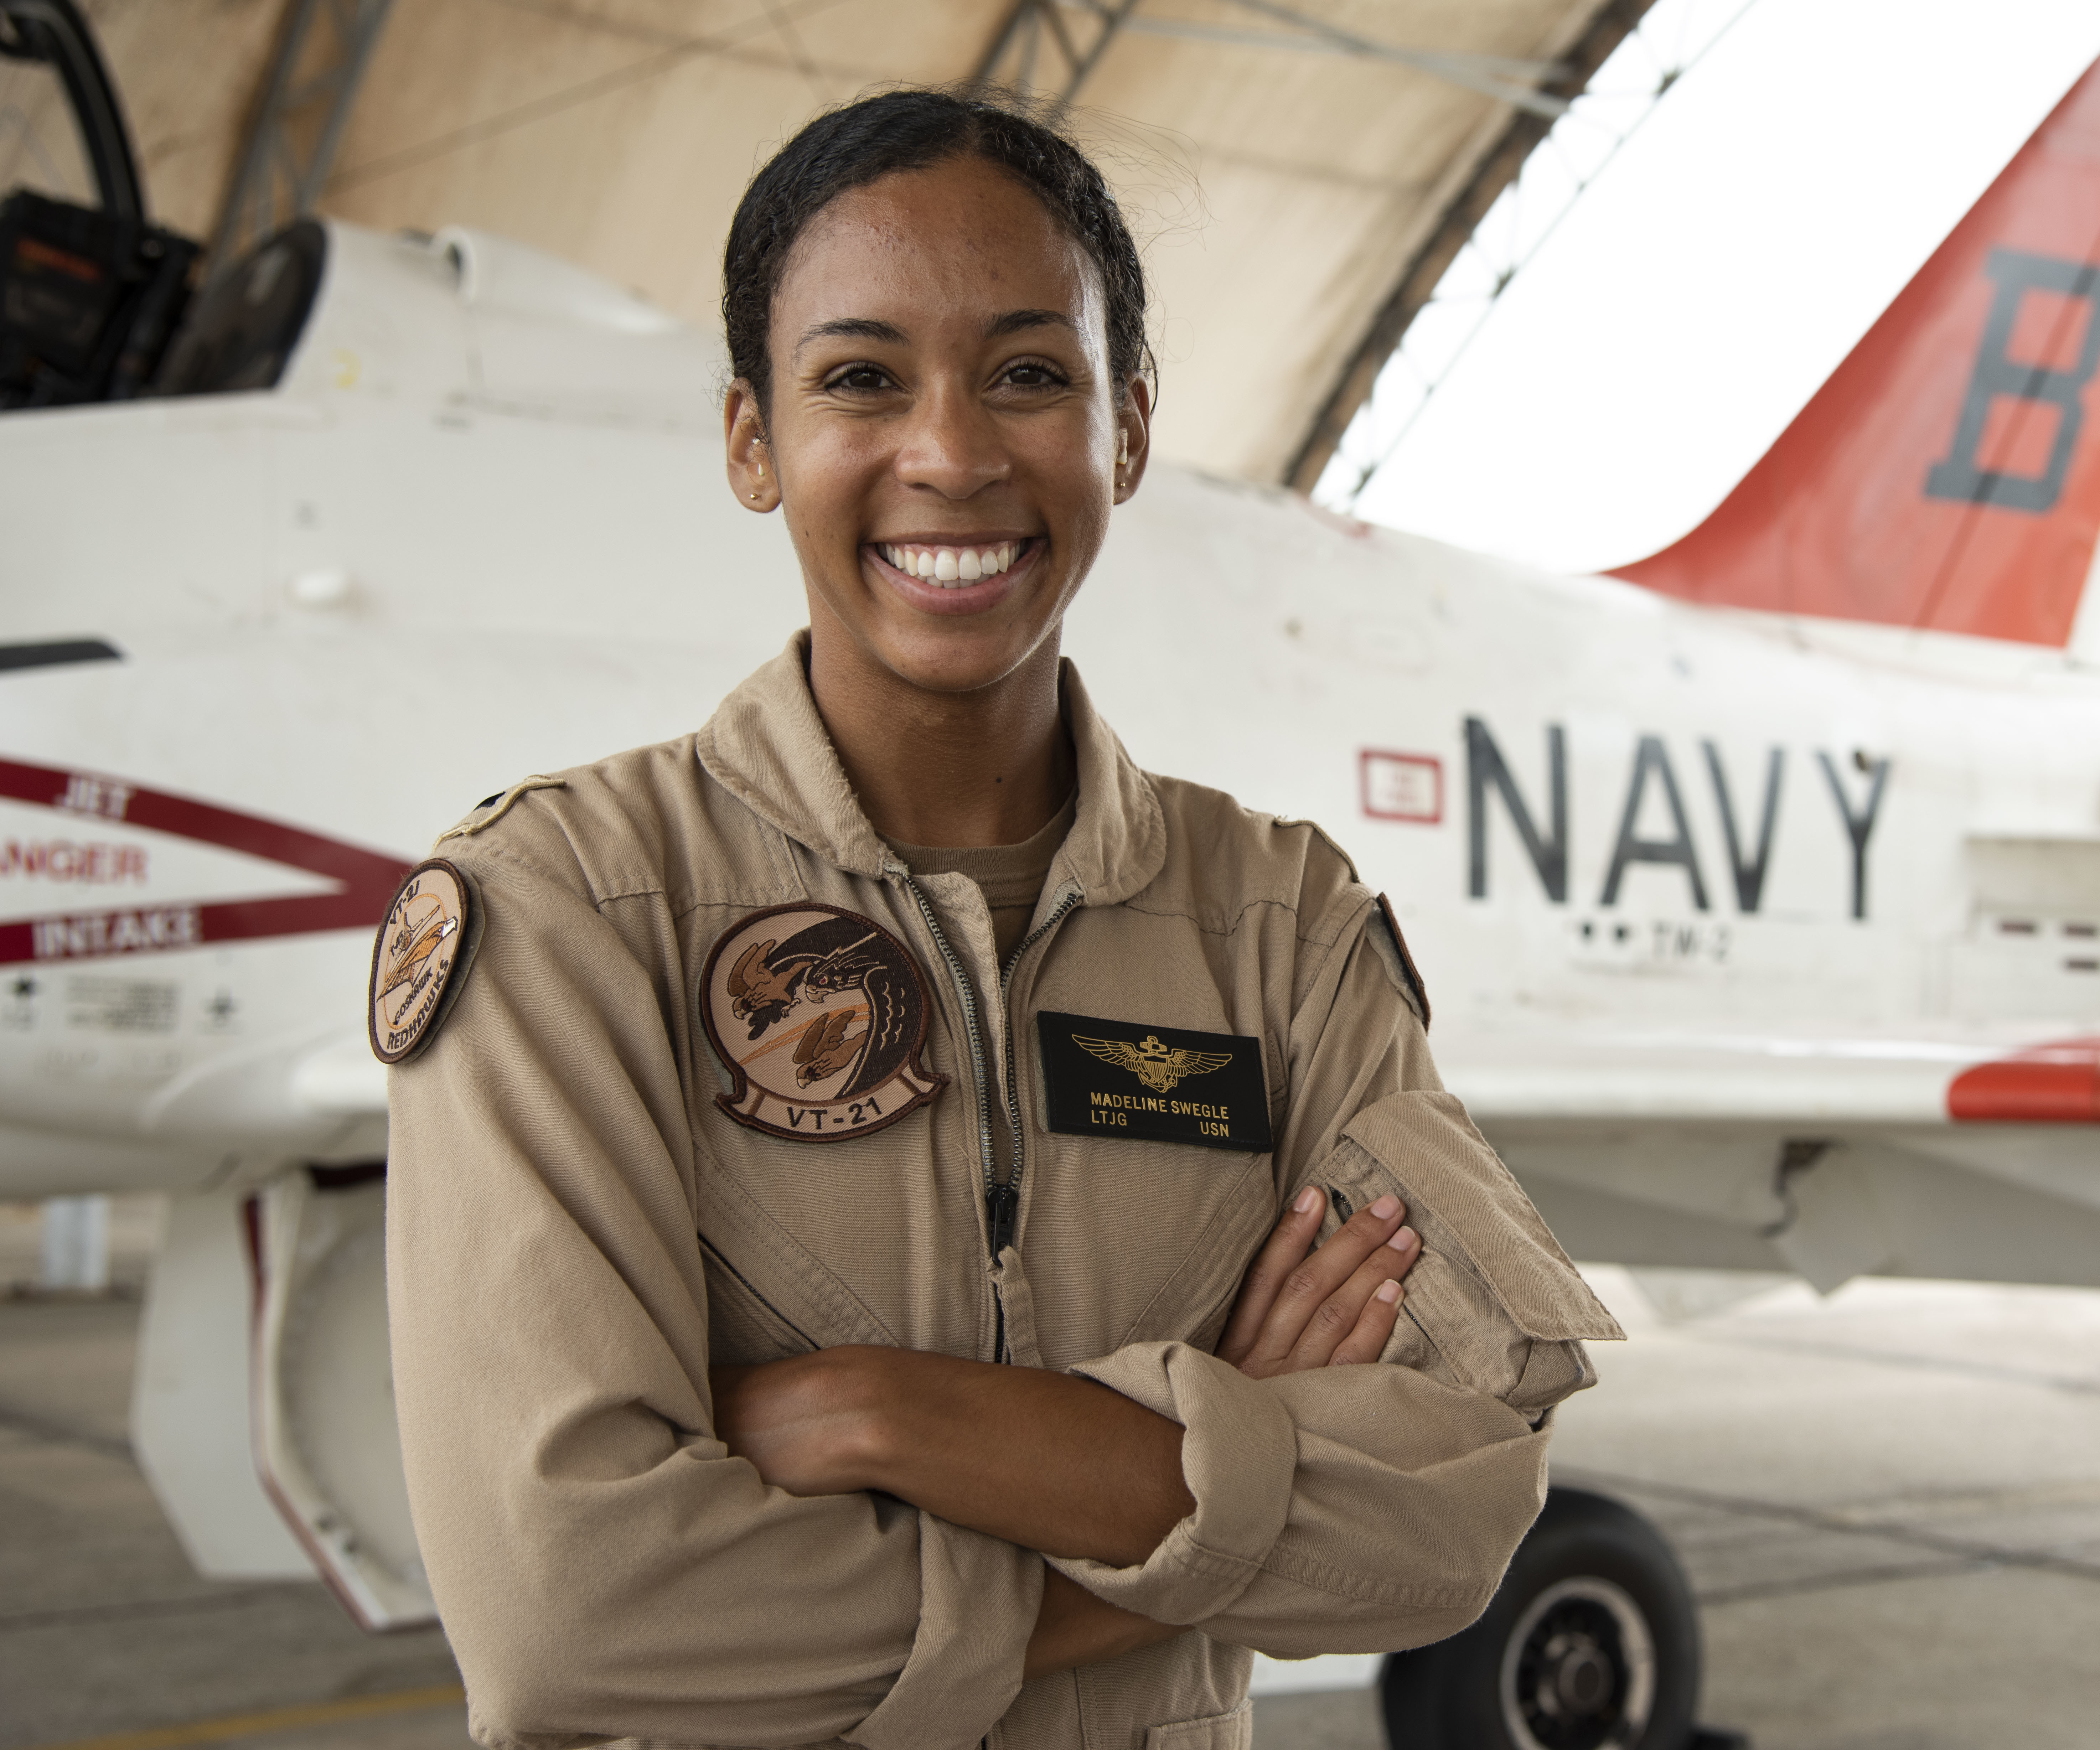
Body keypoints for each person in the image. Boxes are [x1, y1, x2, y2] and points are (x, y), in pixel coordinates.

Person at [384, 86, 1619, 1750]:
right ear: (753, 438)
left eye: (1031, 374)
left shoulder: (1280, 927)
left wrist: (888, 1411)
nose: (953, 454)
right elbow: (578, 1613)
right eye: (860, 378)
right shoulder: (565, 915)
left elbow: (1454, 1507)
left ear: (1125, 427)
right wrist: (1199, 1504)